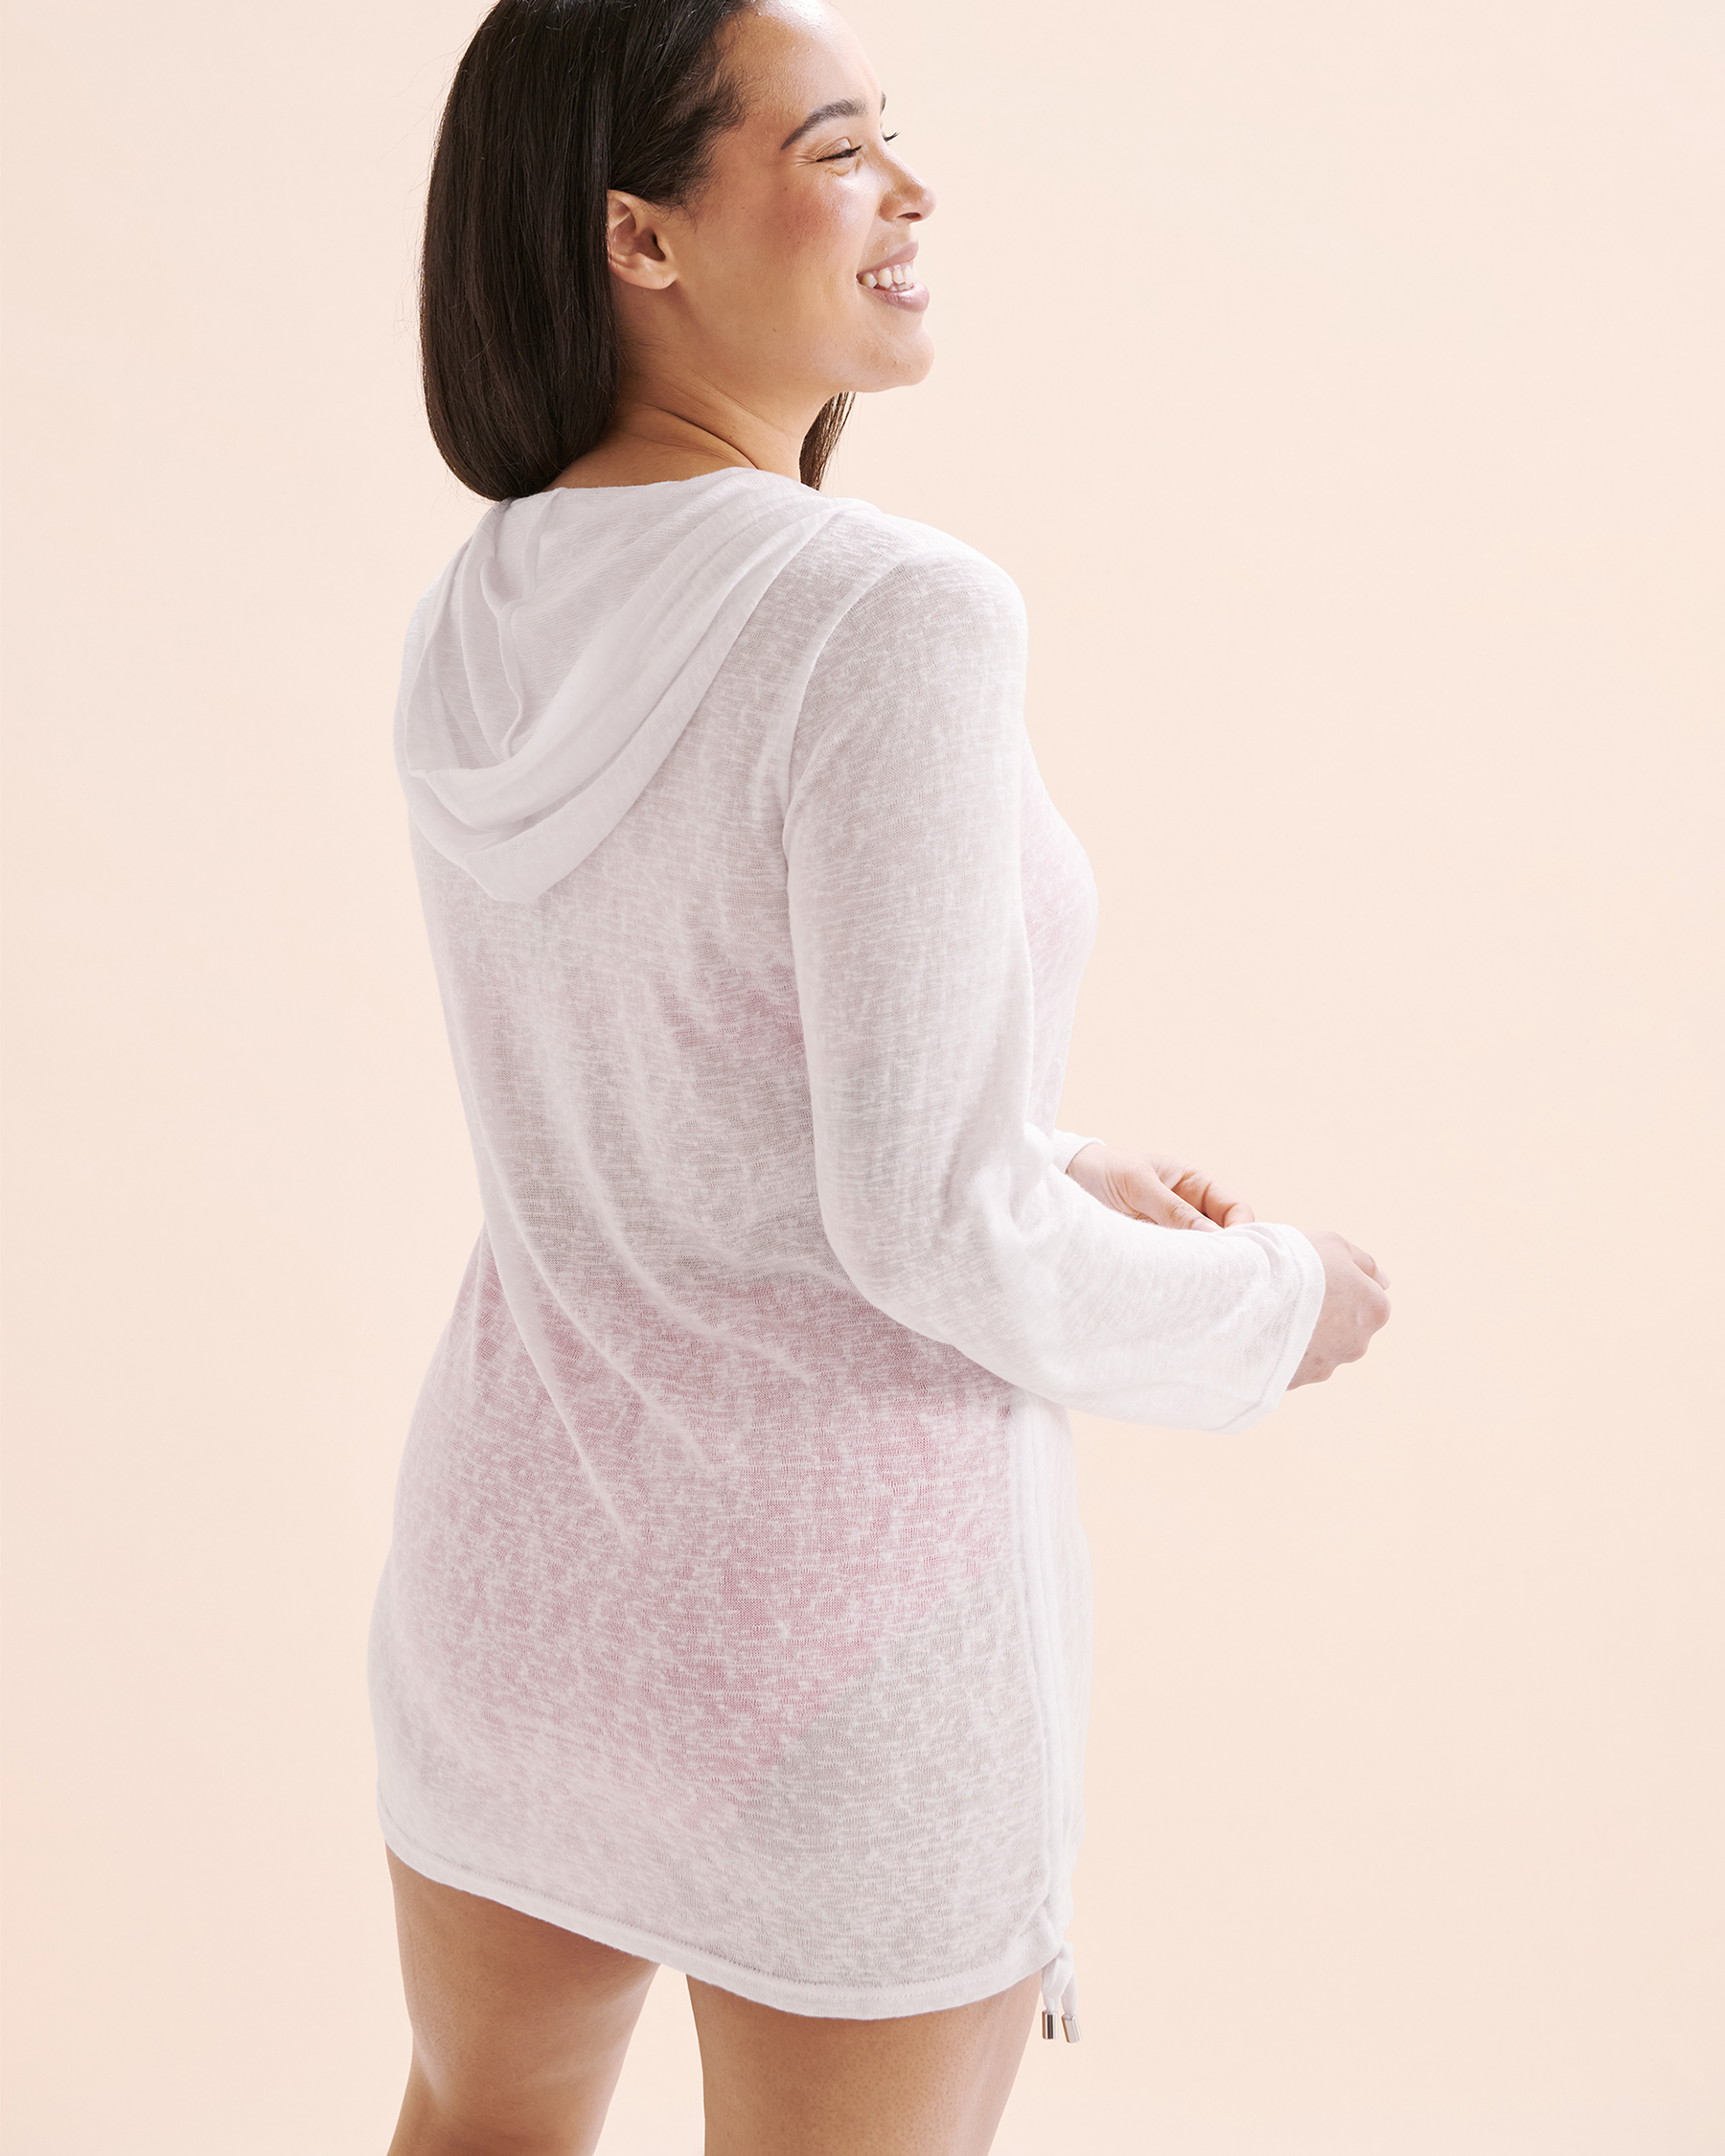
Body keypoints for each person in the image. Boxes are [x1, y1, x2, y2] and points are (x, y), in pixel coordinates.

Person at [371, 0, 1393, 2148]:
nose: (912, 194)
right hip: (828, 1632)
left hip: (516, 1592)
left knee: (473, 2124)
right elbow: (928, 1231)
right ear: (641, 236)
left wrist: (1051, 1154)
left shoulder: (484, 602)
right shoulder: (888, 611)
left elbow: (662, 1080)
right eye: (838, 150)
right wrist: (1274, 1300)